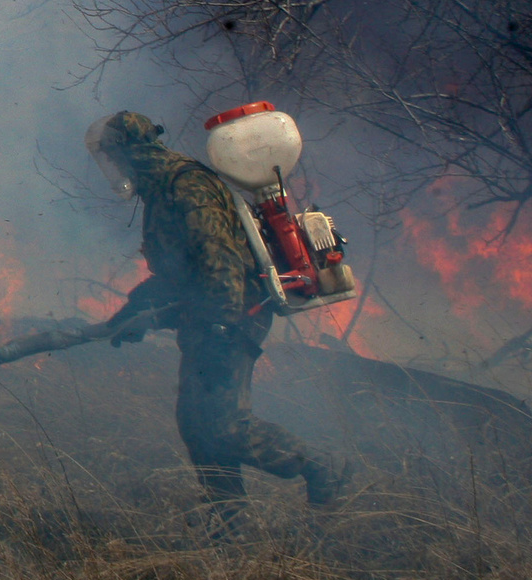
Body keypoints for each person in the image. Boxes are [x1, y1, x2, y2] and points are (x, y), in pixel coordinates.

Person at [65, 110, 347, 513]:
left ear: (130, 150)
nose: (111, 165)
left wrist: (220, 326)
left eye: (112, 155)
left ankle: (321, 465)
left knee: (225, 425)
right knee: (198, 426)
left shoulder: (187, 185)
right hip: (209, 316)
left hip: (234, 313)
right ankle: (228, 521)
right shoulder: (161, 188)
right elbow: (180, 268)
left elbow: (219, 258)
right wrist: (135, 311)